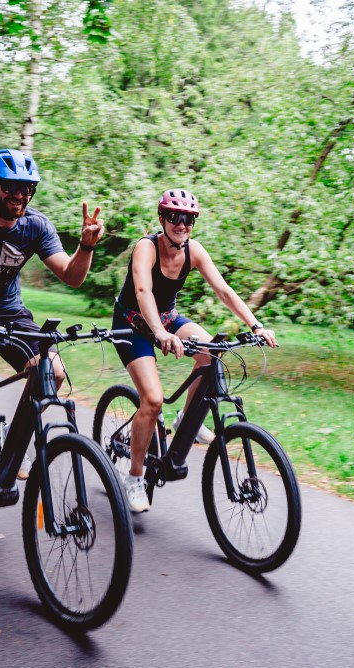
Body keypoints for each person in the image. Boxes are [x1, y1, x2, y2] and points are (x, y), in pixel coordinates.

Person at [0, 148, 104, 529]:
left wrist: (86, 246)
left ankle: (12, 440)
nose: (19, 195)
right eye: (10, 188)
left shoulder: (35, 226)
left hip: (8, 311)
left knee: (52, 372)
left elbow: (72, 276)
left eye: (26, 188)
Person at [111, 188, 276, 513]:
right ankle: (134, 478)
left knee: (211, 353)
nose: (182, 224)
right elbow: (143, 290)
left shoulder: (193, 251)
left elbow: (223, 290)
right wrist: (159, 333)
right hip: (132, 325)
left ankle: (186, 418)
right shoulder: (147, 247)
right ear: (162, 218)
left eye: (188, 219)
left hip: (167, 319)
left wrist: (256, 325)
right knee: (152, 400)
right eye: (175, 217)